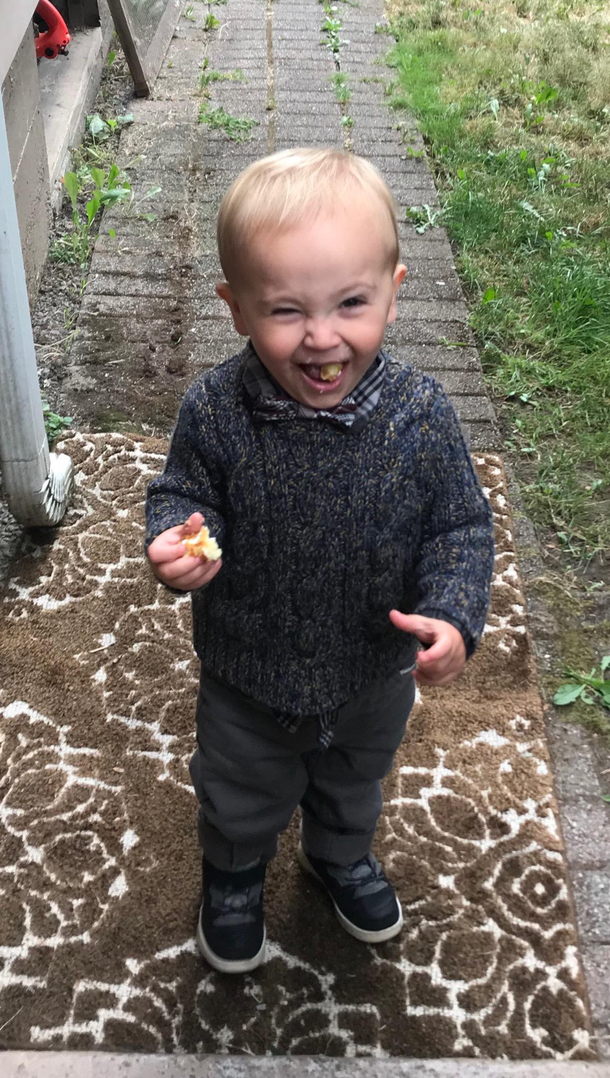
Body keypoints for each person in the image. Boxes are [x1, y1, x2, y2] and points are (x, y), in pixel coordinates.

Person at [145, 148, 494, 974]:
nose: (322, 336)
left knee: (354, 778)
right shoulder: (217, 407)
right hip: (248, 666)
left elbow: (460, 527)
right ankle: (232, 874)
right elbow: (183, 492)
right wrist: (176, 539)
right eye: (285, 310)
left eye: (350, 303)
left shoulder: (421, 416)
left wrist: (451, 612)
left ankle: (337, 854)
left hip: (371, 668)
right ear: (235, 309)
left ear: (395, 293)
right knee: (239, 785)